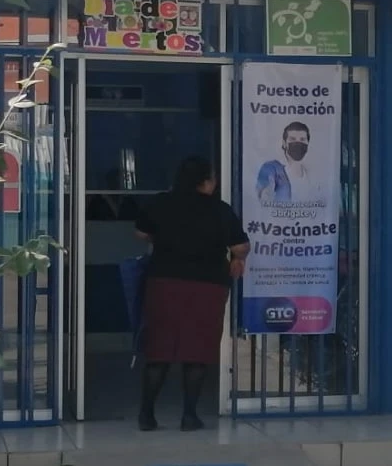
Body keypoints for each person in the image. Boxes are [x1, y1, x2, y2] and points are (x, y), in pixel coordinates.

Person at [133, 156, 249, 432]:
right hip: (207, 286)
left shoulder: (161, 203)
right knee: (197, 350)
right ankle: (189, 416)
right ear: (206, 181)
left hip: (164, 283)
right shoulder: (220, 210)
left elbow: (140, 232)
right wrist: (236, 256)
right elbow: (241, 245)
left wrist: (161, 238)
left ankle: (147, 415)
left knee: (159, 350)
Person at [255, 121, 321, 204]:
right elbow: (261, 202)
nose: (298, 143)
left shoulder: (312, 176)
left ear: (308, 143)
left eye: (302, 139)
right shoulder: (271, 169)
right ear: (284, 143)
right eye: (292, 139)